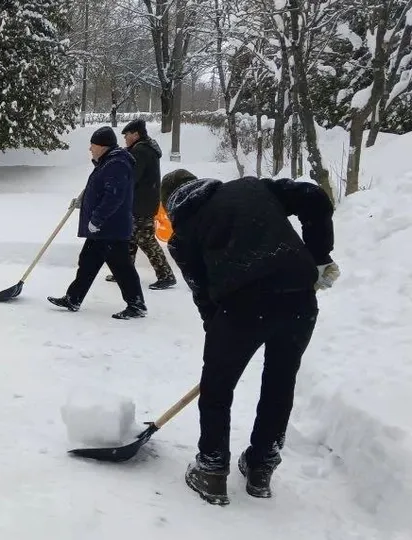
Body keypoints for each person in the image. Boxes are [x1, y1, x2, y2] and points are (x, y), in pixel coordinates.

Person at [160, 169, 340, 506]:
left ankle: (212, 470)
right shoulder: (251, 188)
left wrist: (220, 341)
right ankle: (261, 467)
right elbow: (314, 198)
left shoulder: (182, 238)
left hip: (242, 306)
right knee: (279, 381)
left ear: (170, 207)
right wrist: (318, 257)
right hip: (298, 297)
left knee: (217, 387)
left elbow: (204, 295)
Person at [47, 126, 147, 320]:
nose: (90, 149)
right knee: (87, 262)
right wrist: (82, 203)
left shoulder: (117, 163)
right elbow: (100, 191)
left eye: (92, 145)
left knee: (122, 267)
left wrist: (96, 219)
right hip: (104, 228)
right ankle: (73, 298)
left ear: (102, 146)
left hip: (110, 227)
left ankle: (137, 305)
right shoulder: (107, 162)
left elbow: (114, 197)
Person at [104, 119, 177, 290]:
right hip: (140, 202)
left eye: (127, 135)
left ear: (136, 134)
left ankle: (166, 276)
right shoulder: (142, 149)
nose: (125, 138)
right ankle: (123, 272)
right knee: (128, 239)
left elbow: (131, 177)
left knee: (146, 240)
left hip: (141, 205)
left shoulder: (141, 151)